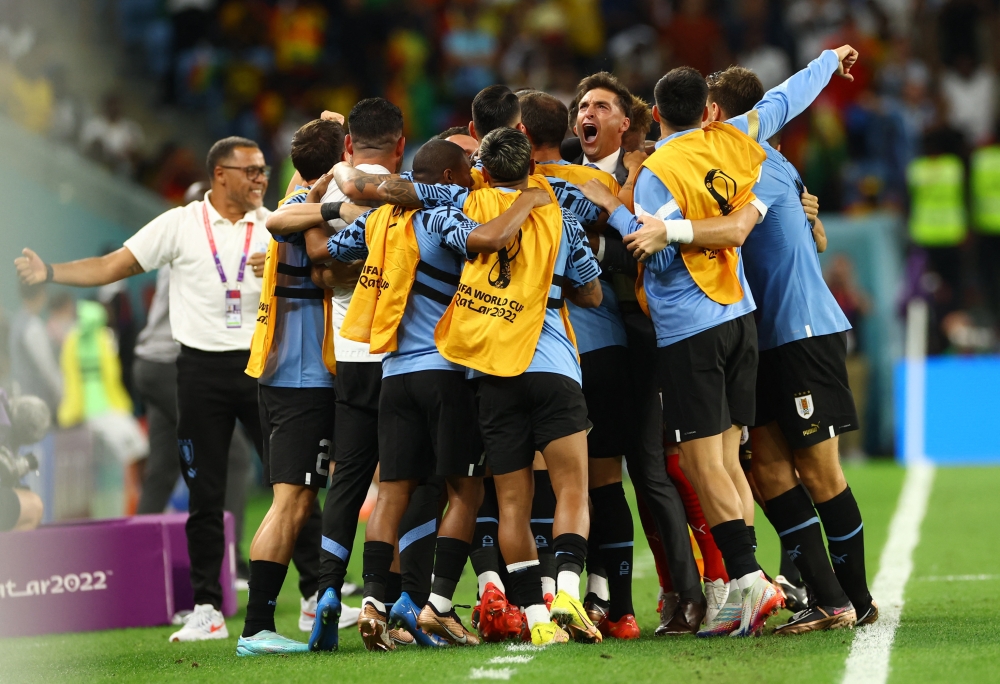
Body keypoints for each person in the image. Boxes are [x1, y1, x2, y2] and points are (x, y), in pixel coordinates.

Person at [577, 45, 860, 638]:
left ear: (654, 114)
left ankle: (751, 581)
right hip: (742, 319)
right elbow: (787, 97)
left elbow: (649, 237)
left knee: (708, 463)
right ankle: (774, 586)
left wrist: (613, 206)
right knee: (740, 461)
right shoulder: (734, 140)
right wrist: (829, 59)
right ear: (706, 111)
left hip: (695, 328)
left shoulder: (658, 172)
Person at [334, 126, 604, 647]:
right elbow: (590, 293)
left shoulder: (455, 207)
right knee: (564, 487)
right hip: (540, 364)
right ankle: (564, 589)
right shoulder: (558, 215)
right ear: (529, 165)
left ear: (481, 167)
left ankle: (526, 615)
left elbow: (343, 243)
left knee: (503, 504)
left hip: (472, 371)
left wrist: (339, 192)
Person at [15, 136, 272, 642]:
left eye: (265, 169)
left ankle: (314, 594)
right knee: (204, 487)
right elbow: (114, 265)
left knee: (291, 484)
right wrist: (50, 272)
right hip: (192, 369)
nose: (263, 177)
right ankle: (206, 604)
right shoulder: (180, 225)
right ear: (221, 174)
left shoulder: (272, 226)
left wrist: (288, 265)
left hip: (263, 366)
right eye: (253, 170)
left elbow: (325, 263)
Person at [236, 118, 351, 657]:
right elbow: (312, 243)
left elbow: (315, 151)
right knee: (289, 503)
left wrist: (332, 127)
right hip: (304, 377)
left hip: (285, 374)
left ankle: (291, 610)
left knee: (300, 501)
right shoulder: (302, 210)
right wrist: (339, 208)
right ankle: (257, 626)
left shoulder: (298, 188)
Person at [9, 282, 61, 420]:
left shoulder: (17, 322)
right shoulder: (33, 326)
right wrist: (63, 394)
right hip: (38, 405)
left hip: (22, 399)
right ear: (42, 293)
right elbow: (47, 368)